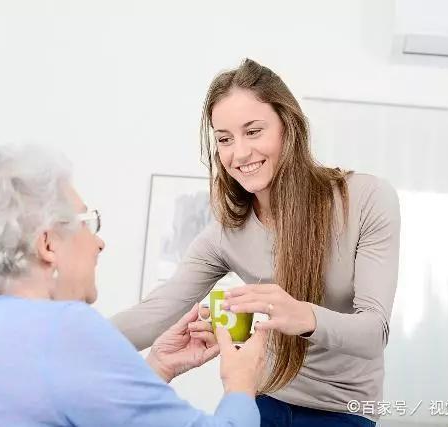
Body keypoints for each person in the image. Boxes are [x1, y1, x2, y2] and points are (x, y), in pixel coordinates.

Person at [112, 58, 401, 427]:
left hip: (344, 412)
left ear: (287, 127)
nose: (240, 153)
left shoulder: (365, 198)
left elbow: (374, 333)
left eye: (253, 131)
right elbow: (154, 313)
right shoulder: (224, 233)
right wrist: (61, 340)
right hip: (261, 402)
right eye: (224, 139)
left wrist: (303, 314)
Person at [0, 145, 268, 427]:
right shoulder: (62, 329)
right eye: (87, 222)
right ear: (48, 244)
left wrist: (158, 365)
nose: (99, 243)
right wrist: (240, 381)